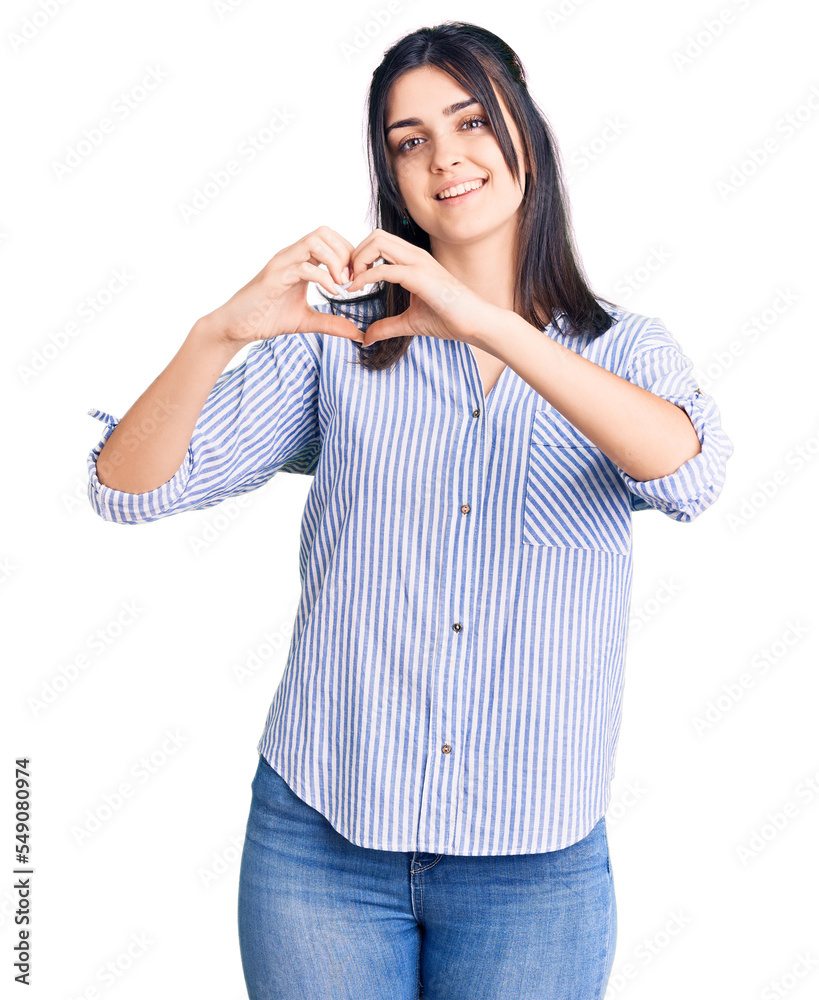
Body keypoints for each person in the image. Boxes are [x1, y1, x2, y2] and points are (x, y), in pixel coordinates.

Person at [85, 20, 734, 1000]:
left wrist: (486, 321)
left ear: (525, 127)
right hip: (320, 842)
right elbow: (127, 489)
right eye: (410, 139)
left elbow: (688, 476)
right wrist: (216, 335)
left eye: (470, 121)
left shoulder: (625, 350)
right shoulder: (341, 342)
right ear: (391, 171)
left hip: (534, 862)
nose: (445, 157)